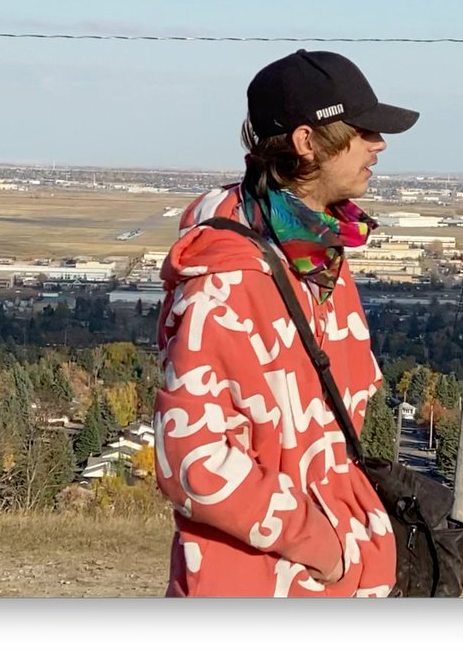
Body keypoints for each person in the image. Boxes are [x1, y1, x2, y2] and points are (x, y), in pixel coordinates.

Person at [152, 49, 419, 597]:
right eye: (363, 130)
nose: (380, 144)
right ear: (306, 142)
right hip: (255, 584)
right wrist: (320, 544)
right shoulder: (225, 282)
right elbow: (192, 462)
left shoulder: (319, 256)